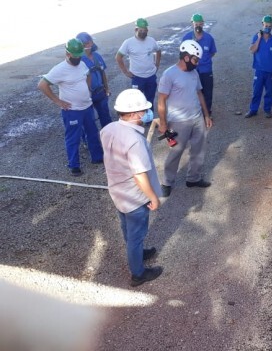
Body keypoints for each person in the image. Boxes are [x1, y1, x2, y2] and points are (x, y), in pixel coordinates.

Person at [100, 89, 163, 287]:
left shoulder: (108, 128)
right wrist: (153, 197)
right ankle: (138, 273)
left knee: (127, 227)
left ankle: (137, 252)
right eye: (144, 110)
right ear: (135, 114)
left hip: (117, 191)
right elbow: (139, 175)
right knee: (136, 233)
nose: (147, 113)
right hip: (134, 197)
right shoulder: (135, 140)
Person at [37, 38, 104, 176]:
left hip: (87, 106)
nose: (78, 58)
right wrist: (58, 101)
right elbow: (42, 85)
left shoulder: (82, 64)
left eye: (80, 55)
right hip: (72, 111)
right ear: (67, 54)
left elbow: (88, 74)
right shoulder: (59, 69)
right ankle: (74, 165)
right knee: (73, 137)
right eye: (75, 55)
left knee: (92, 132)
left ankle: (97, 157)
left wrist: (88, 89)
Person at [157, 40, 213, 195]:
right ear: (186, 57)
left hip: (197, 118)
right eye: (195, 60)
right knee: (176, 151)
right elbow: (161, 100)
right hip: (178, 121)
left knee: (198, 150)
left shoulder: (194, 73)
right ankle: (167, 182)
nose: (197, 64)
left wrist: (206, 115)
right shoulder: (169, 74)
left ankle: (193, 179)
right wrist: (163, 123)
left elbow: (199, 93)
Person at [116, 18, 162, 110]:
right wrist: (125, 72)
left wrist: (157, 65)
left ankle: (149, 120)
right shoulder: (128, 43)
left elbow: (158, 51)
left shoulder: (151, 40)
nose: (143, 32)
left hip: (151, 77)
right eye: (141, 30)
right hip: (137, 78)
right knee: (137, 102)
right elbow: (118, 57)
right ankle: (138, 121)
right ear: (136, 30)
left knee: (150, 100)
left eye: (145, 30)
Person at [182, 13, 217, 115]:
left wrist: (204, 60)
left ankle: (207, 113)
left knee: (207, 92)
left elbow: (212, 52)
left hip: (206, 70)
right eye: (196, 24)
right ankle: (193, 113)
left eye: (200, 24)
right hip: (191, 71)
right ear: (192, 24)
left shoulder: (209, 38)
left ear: (203, 24)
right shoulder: (186, 38)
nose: (198, 26)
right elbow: (182, 55)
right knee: (191, 92)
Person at [76, 32, 112, 128]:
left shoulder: (97, 56)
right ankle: (89, 141)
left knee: (106, 117)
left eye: (91, 42)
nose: (91, 44)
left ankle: (109, 137)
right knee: (88, 121)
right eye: (89, 43)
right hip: (87, 96)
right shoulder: (78, 60)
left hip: (101, 92)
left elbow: (102, 73)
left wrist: (107, 88)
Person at [245, 15, 272, 118]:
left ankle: (267, 110)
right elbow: (252, 50)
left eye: (269, 25)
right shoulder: (256, 37)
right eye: (266, 25)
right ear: (262, 24)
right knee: (256, 91)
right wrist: (259, 38)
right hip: (259, 70)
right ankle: (253, 109)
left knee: (269, 92)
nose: (267, 27)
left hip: (270, 71)